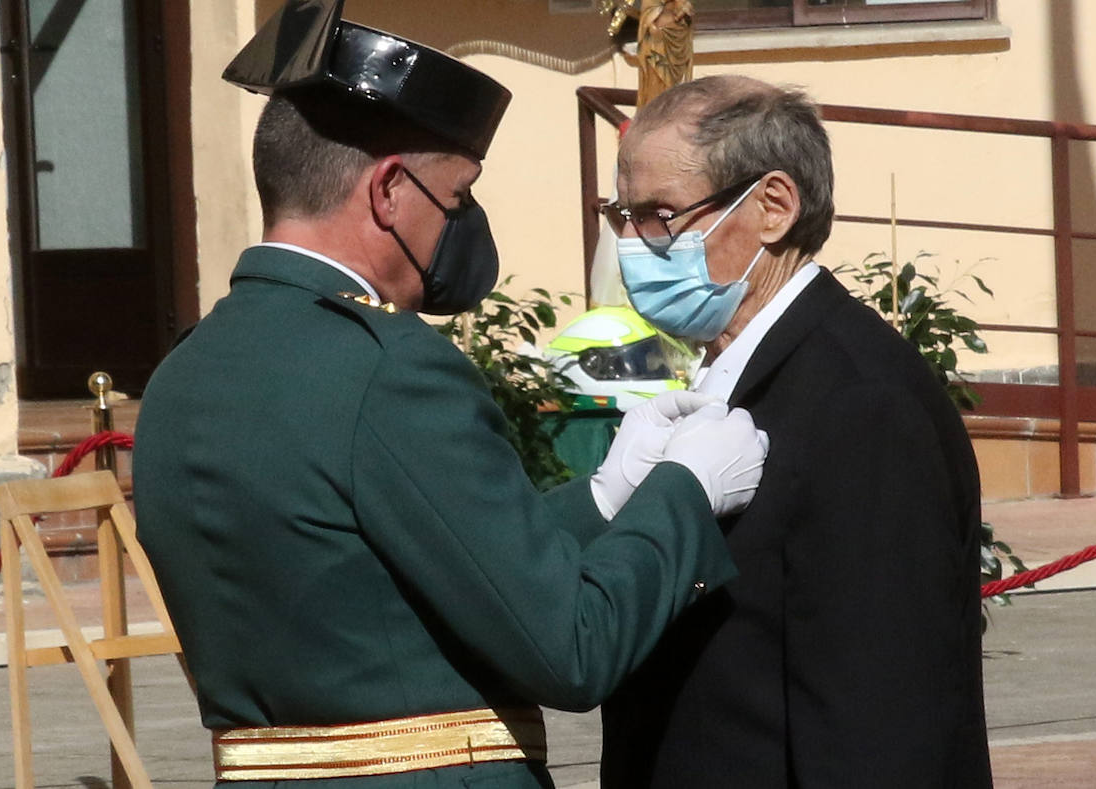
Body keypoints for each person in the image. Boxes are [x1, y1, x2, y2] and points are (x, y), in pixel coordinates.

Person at [131, 3, 769, 787]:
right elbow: (570, 650)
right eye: (457, 197)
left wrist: (605, 497)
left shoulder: (182, 375)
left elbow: (390, 574)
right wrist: (684, 492)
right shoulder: (390, 366)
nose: (462, 224)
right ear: (390, 191)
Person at [599, 75, 993, 788]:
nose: (633, 243)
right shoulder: (731, 369)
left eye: (660, 215)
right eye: (621, 215)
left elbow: (879, 713)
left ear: (773, 207)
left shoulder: (860, 401)